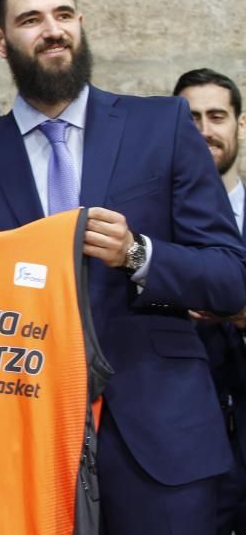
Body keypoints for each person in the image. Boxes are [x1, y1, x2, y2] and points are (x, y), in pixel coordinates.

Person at [0, 0, 246, 533]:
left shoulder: (164, 125)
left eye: (64, 13)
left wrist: (139, 254)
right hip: (24, 444)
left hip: (160, 442)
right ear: (0, 40)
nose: (53, 29)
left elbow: (229, 279)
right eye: (31, 19)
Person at [174, 68, 246, 534]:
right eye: (189, 117)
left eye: (216, 115)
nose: (203, 130)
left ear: (241, 125)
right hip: (182, 449)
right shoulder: (147, 233)